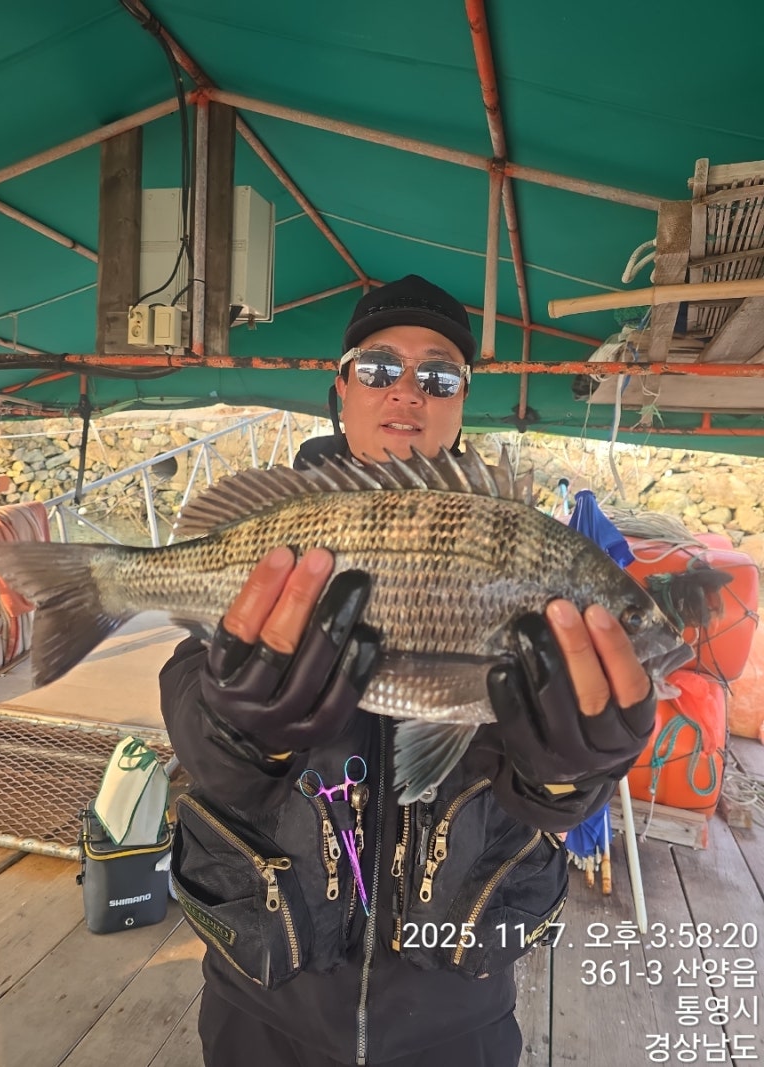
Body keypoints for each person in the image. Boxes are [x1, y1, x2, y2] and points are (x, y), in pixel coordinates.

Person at [160, 275, 656, 1067]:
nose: (408, 390)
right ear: (342, 389)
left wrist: (570, 777)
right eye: (379, 366)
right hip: (265, 1003)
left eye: (440, 375)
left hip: (457, 1017)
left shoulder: (523, 540)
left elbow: (536, 794)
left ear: (462, 401)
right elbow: (191, 704)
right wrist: (237, 730)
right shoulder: (280, 527)